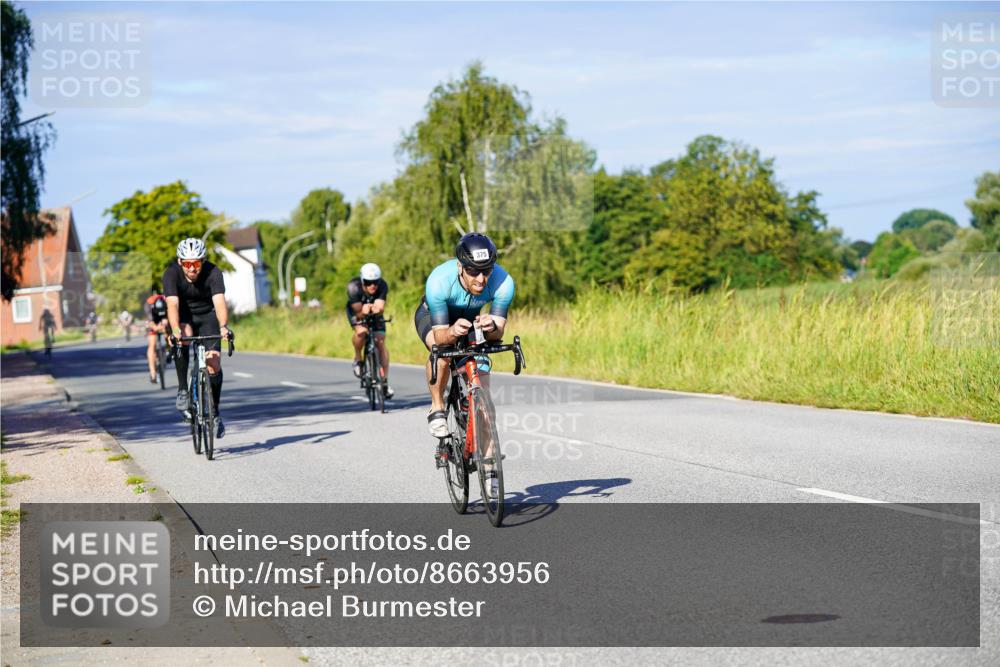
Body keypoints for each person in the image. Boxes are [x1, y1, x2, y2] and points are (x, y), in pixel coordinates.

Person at [414, 233, 514, 439]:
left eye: (486, 271)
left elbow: (498, 333)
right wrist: (451, 332)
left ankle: (488, 459)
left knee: (484, 391)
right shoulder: (439, 281)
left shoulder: (503, 282)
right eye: (473, 271)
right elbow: (441, 336)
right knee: (442, 354)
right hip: (436, 318)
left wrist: (491, 326)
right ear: (460, 267)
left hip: (470, 321)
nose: (481, 279)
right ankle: (437, 407)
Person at [163, 238, 232, 438]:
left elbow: (219, 302)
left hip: (207, 316)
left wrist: (223, 326)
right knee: (183, 336)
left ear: (203, 261)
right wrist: (175, 330)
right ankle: (183, 390)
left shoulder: (213, 272)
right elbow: (172, 305)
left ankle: (215, 412)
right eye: (187, 264)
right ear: (180, 262)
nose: (192, 269)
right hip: (184, 317)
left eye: (196, 263)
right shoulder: (171, 274)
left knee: (213, 363)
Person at [346, 263, 394, 399]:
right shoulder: (353, 288)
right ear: (362, 281)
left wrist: (375, 309)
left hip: (374, 314)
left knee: (380, 341)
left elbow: (380, 307)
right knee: (361, 332)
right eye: (368, 283)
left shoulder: (383, 285)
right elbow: (358, 312)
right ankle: (358, 359)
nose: (372, 286)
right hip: (357, 313)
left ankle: (384, 382)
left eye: (375, 282)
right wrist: (363, 311)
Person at [144, 286, 169, 383]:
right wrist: (156, 327)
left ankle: (168, 350)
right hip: (152, 320)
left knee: (168, 331)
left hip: (163, 318)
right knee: (152, 345)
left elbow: (169, 316)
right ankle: (153, 373)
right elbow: (150, 321)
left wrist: (165, 325)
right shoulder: (148, 303)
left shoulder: (165, 300)